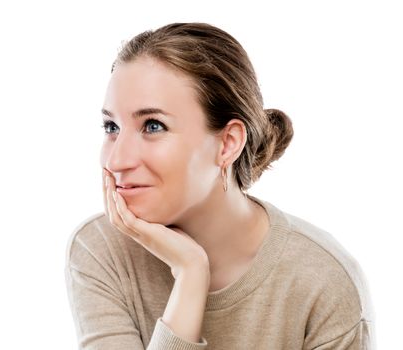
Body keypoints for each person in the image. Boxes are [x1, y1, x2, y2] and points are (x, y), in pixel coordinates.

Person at [64, 22, 376, 349]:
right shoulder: (101, 249)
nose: (116, 161)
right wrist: (190, 274)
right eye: (111, 126)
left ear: (227, 143)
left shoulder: (322, 282)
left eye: (153, 126)